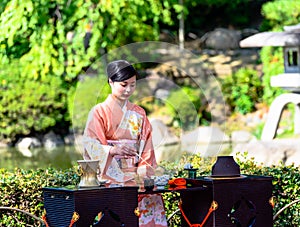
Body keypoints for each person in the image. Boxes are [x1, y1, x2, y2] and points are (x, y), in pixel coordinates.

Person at [82, 60, 168, 227]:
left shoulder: (139, 113)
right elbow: (90, 145)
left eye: (133, 84)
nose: (129, 89)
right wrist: (113, 150)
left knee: (151, 198)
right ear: (110, 82)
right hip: (109, 177)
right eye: (124, 84)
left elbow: (147, 150)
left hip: (137, 177)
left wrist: (144, 175)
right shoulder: (99, 112)